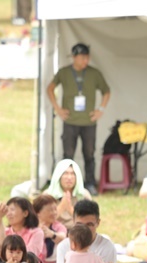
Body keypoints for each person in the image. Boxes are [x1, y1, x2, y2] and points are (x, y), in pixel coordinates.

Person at [47, 43, 111, 195]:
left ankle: (89, 183)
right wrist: (58, 108)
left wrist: (100, 110)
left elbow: (106, 91)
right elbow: (50, 88)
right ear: (74, 57)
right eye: (82, 58)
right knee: (67, 155)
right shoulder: (64, 73)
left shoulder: (94, 73)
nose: (85, 61)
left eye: (87, 58)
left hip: (88, 122)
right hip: (70, 121)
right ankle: (62, 185)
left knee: (89, 153)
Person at [45, 159, 92, 229]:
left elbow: (89, 222)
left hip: (78, 232)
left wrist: (70, 209)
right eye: (65, 174)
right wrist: (61, 206)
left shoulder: (84, 195)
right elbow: (44, 222)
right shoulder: (47, 195)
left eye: (73, 174)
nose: (69, 178)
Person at [32, 194, 67, 263]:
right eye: (50, 210)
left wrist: (52, 235)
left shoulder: (58, 226)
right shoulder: (31, 228)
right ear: (38, 213)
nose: (54, 213)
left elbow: (63, 237)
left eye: (55, 209)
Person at [4, 197, 45, 263]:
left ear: (25, 213)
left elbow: (31, 255)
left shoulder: (36, 232)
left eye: (12, 210)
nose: (8, 214)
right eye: (7, 210)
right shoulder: (5, 232)